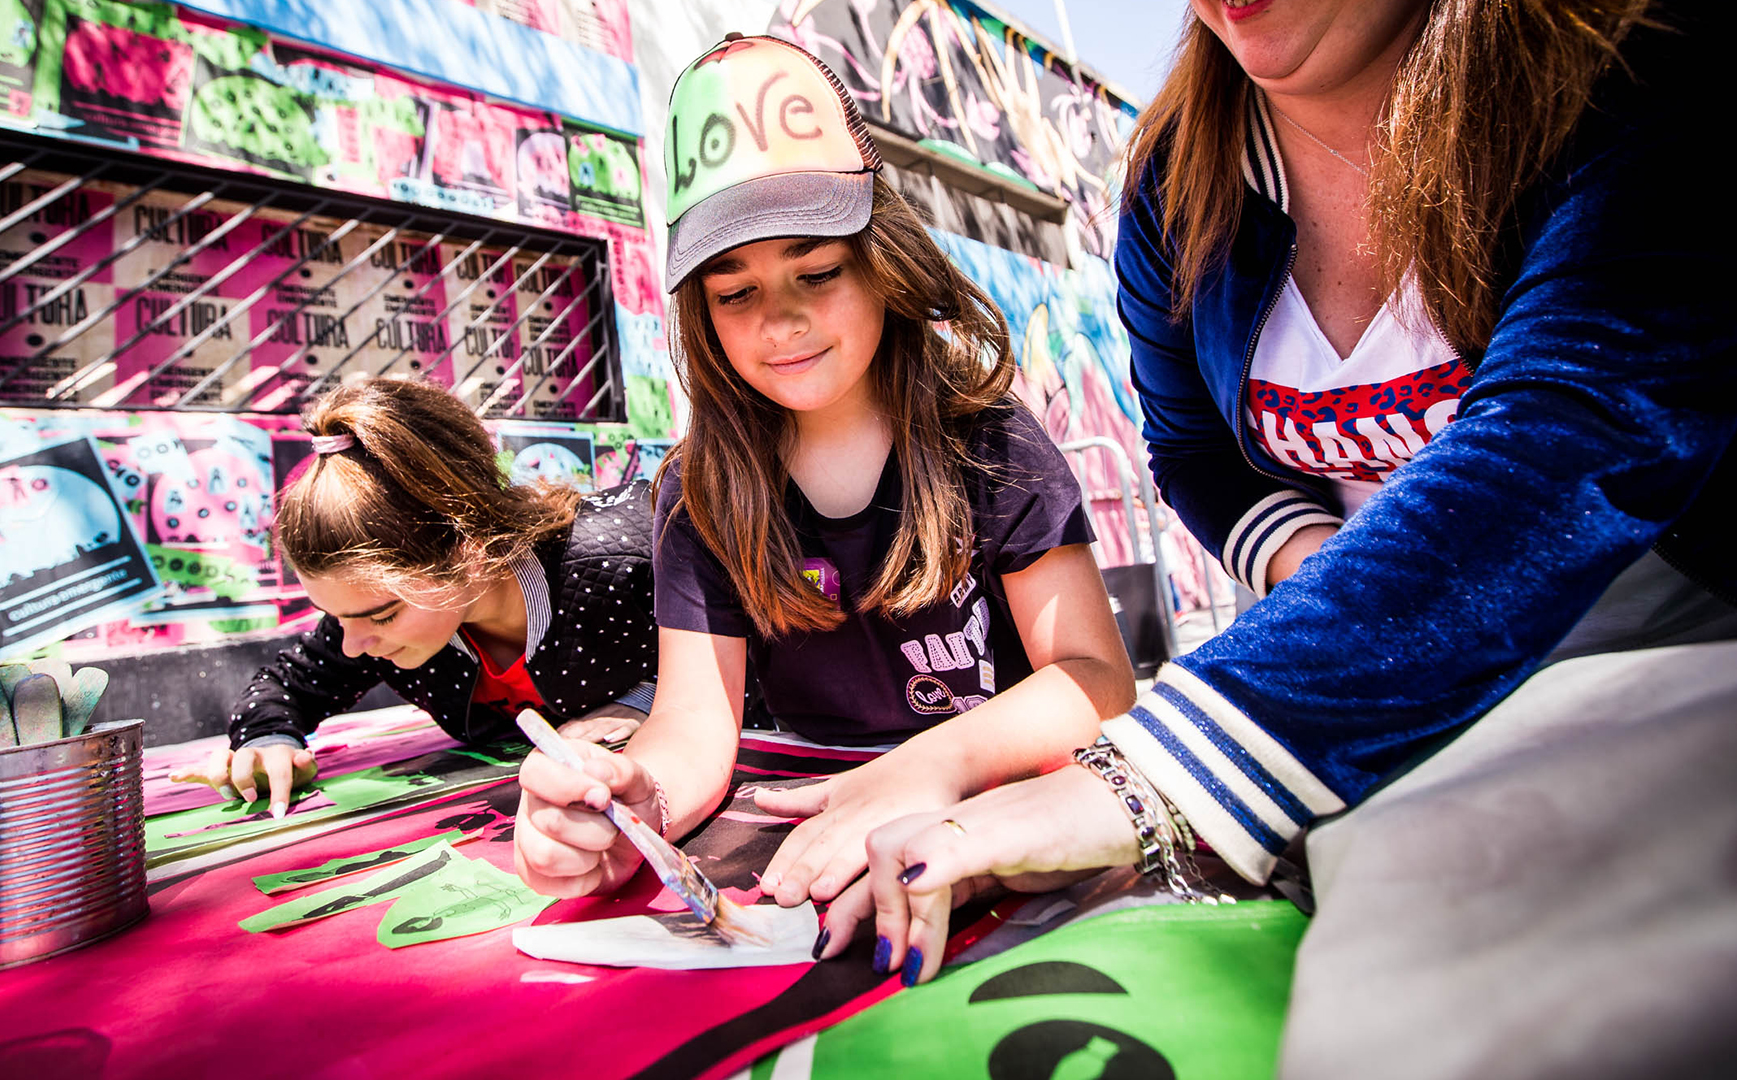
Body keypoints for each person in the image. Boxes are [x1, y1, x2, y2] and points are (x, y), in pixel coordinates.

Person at [835, 0, 1737, 1059]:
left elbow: (1575, 427)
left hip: (1672, 670)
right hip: (1351, 694)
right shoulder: (1175, 182)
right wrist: (1324, 574)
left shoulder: (1634, 60)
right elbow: (1197, 456)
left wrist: (1153, 778)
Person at [511, 35, 1137, 918]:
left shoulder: (986, 435)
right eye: (735, 293)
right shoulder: (700, 491)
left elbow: (1096, 678)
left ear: (885, 263)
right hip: (806, 839)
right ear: (701, 314)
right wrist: (631, 810)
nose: (782, 322)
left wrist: (930, 765)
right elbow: (694, 729)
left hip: (1001, 824)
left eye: (817, 270)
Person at [169, 377, 659, 815]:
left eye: (381, 616)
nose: (350, 645)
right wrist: (267, 740)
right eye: (335, 618)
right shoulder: (365, 623)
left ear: (468, 550)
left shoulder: (628, 556)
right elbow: (287, 683)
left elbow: (733, 633)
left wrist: (647, 699)